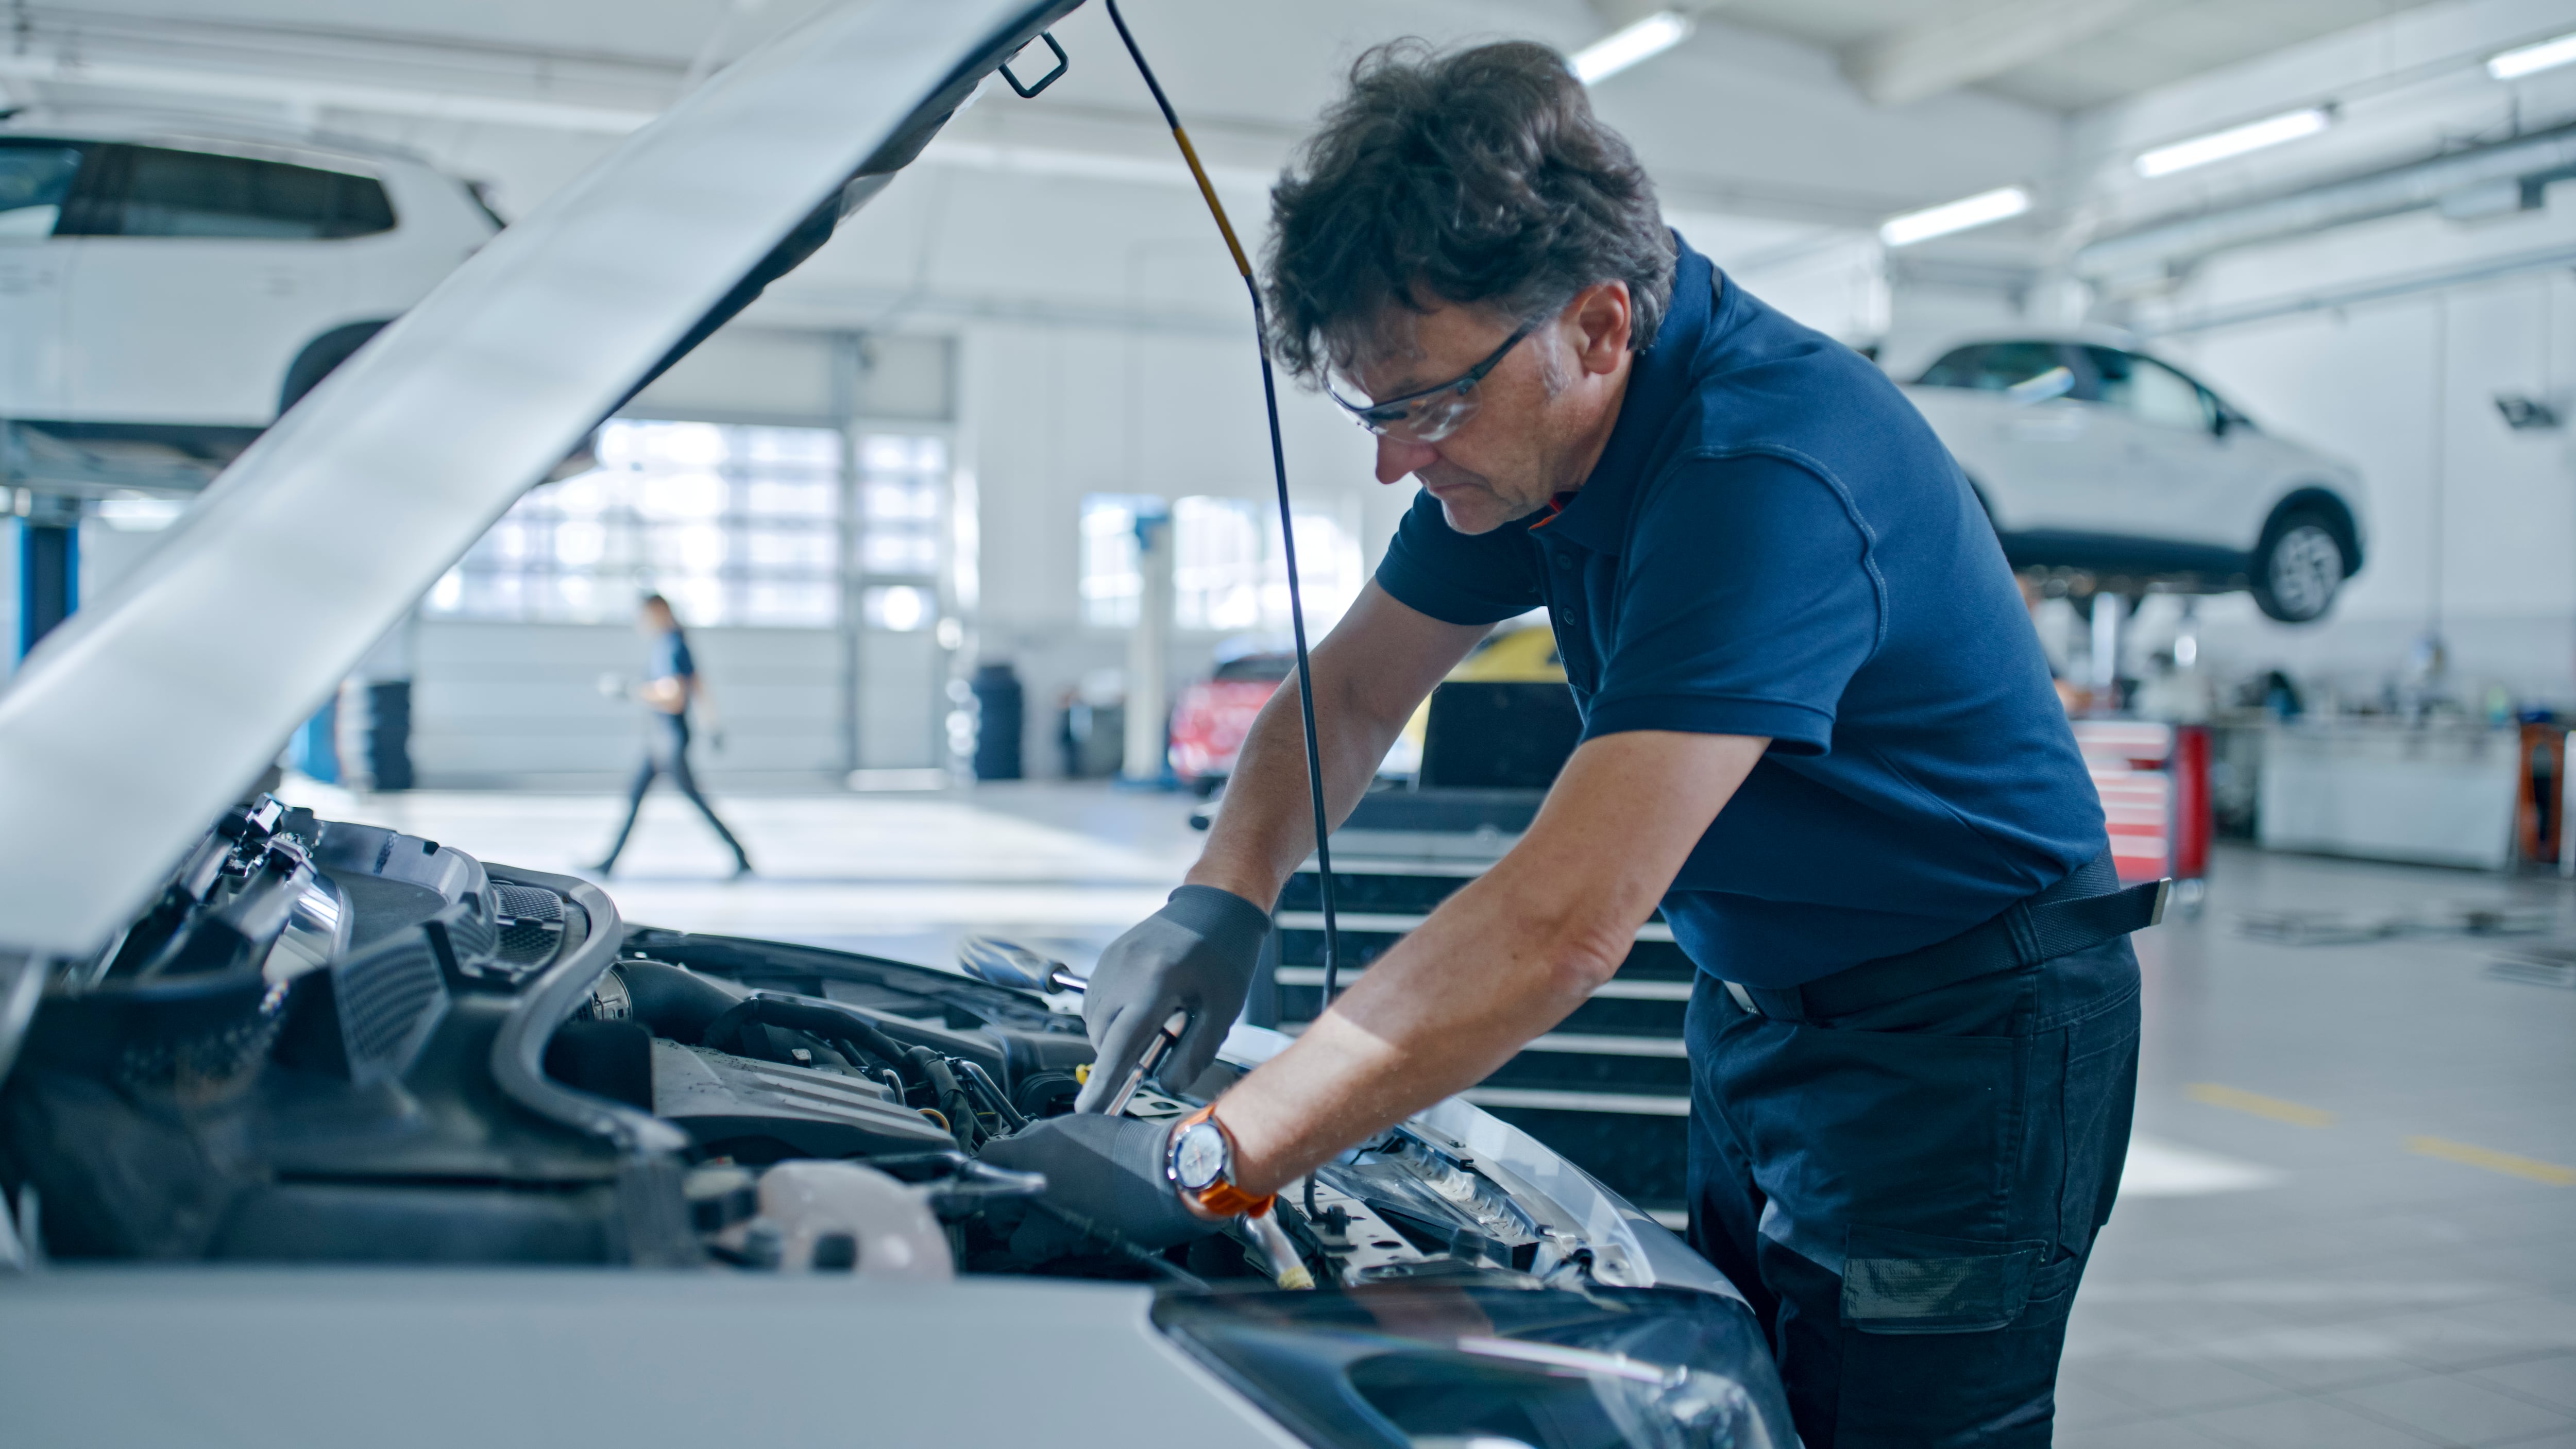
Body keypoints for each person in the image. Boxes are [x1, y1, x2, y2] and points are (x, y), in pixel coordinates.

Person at [982, 41, 2155, 1447]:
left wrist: (1214, 1150)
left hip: (1966, 1046)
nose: (1392, 460)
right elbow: (1351, 690)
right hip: (1765, 1009)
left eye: (1421, 405)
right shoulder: (1534, 432)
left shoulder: (1763, 475)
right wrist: (1218, 897)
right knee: (1757, 1404)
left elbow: (1560, 921)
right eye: (1371, 409)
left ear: (1598, 328)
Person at [588, 593, 752, 878]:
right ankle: (609, 862)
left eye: (644, 615)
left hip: (669, 740)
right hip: (661, 740)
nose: (641, 622)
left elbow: (675, 696)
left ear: (659, 611)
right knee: (637, 797)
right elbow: (699, 686)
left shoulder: (671, 644)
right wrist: (711, 725)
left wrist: (631, 690)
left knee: (693, 799)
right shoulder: (674, 642)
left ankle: (740, 855)